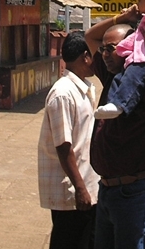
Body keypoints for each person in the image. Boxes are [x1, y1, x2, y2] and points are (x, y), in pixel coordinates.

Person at [86, 5, 145, 249]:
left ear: (129, 50)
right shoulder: (111, 77)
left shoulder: (144, 82)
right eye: (103, 49)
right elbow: (90, 37)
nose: (104, 54)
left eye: (111, 49)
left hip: (135, 194)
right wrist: (122, 17)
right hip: (107, 190)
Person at [38, 31, 100, 249]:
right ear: (85, 56)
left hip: (86, 186)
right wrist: (80, 188)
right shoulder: (63, 94)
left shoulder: (82, 89)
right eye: (95, 54)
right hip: (72, 192)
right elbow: (64, 147)